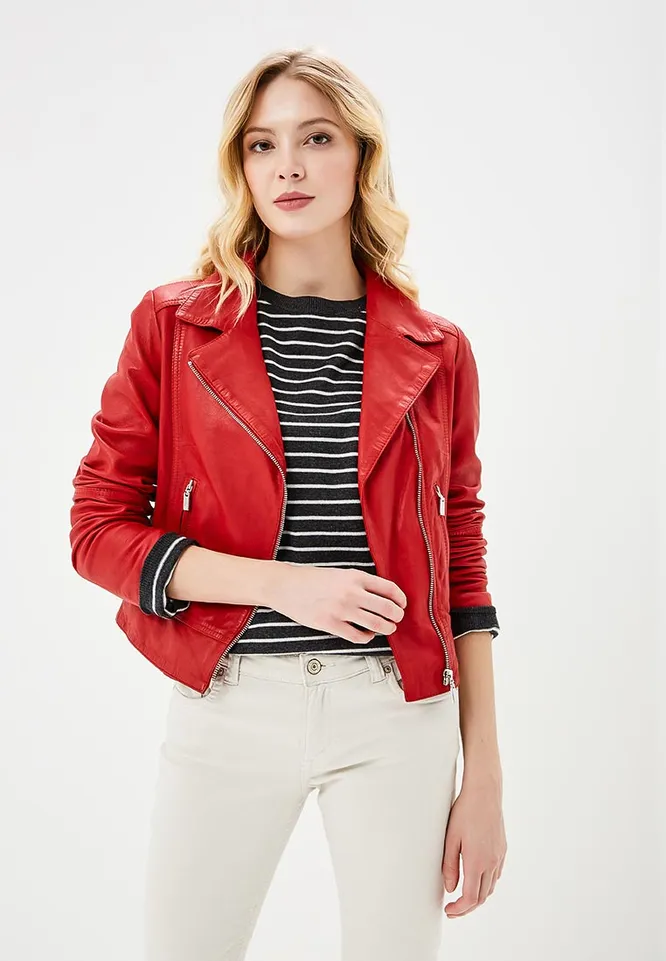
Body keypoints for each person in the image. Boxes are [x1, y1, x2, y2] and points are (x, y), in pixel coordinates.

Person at [69, 46, 507, 961]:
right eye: (262, 145)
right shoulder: (174, 325)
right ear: (241, 167)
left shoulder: (439, 351)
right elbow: (97, 529)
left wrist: (485, 776)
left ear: (362, 156)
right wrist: (284, 585)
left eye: (317, 138)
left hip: (396, 712)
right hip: (229, 702)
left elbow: (461, 554)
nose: (289, 167)